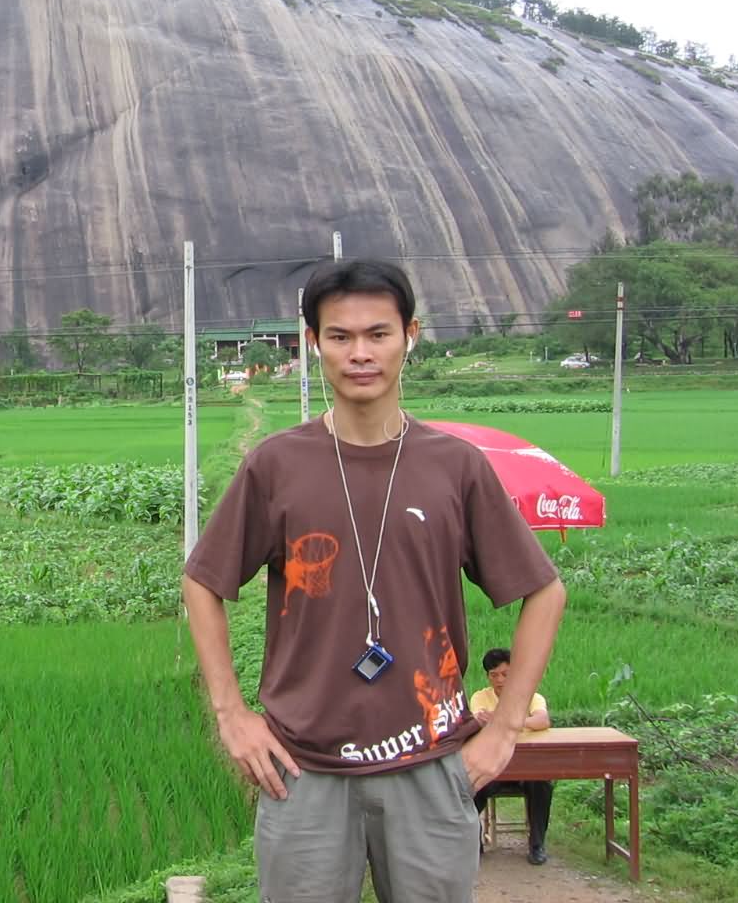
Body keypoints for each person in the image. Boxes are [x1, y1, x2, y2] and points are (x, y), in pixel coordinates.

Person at [182, 258, 566, 903]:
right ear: (314, 344)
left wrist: (501, 731)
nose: (360, 353)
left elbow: (544, 590)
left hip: (428, 766)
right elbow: (204, 581)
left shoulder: (455, 466)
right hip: (302, 770)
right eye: (340, 336)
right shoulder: (278, 465)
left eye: (378, 334)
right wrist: (231, 714)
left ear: (409, 335)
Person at [471, 648, 553, 865]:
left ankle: (537, 845)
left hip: (526, 768)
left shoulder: (531, 696)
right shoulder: (480, 697)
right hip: (493, 768)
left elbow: (542, 720)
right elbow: (479, 720)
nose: (499, 680)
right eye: (494, 675)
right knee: (470, 784)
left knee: (542, 784)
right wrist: (523, 723)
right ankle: (473, 842)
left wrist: (506, 722)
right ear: (488, 676)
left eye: (505, 674)